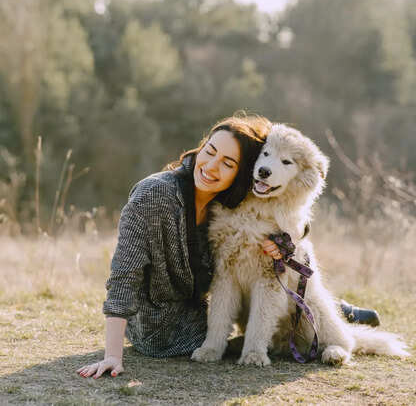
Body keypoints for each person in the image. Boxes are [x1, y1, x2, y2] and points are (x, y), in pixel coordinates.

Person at [77, 114, 379, 379]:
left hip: (217, 308)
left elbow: (291, 216)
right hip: (172, 323)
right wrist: (113, 355)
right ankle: (344, 312)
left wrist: (289, 241)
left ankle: (340, 315)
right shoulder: (155, 196)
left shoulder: (233, 199)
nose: (211, 166)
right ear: (202, 145)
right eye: (209, 151)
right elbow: (124, 275)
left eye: (228, 163)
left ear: (240, 171)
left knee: (294, 286)